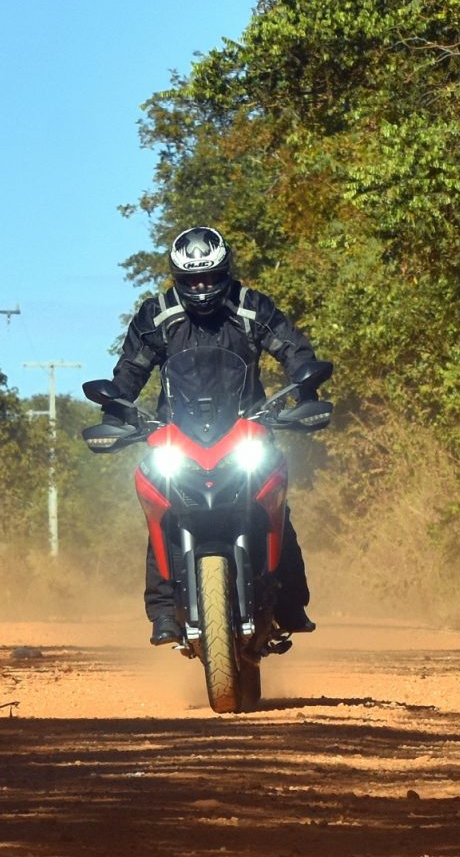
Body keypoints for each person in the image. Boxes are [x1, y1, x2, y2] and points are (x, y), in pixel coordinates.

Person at [108, 225, 324, 646]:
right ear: (177, 278)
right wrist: (117, 407)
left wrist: (305, 382)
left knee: (276, 506)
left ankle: (290, 603)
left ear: (225, 271)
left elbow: (290, 345)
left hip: (247, 429)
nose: (201, 287)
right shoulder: (158, 315)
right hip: (178, 439)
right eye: (191, 280)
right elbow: (131, 368)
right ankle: (163, 612)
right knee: (163, 511)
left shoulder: (250, 307)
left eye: (209, 277)